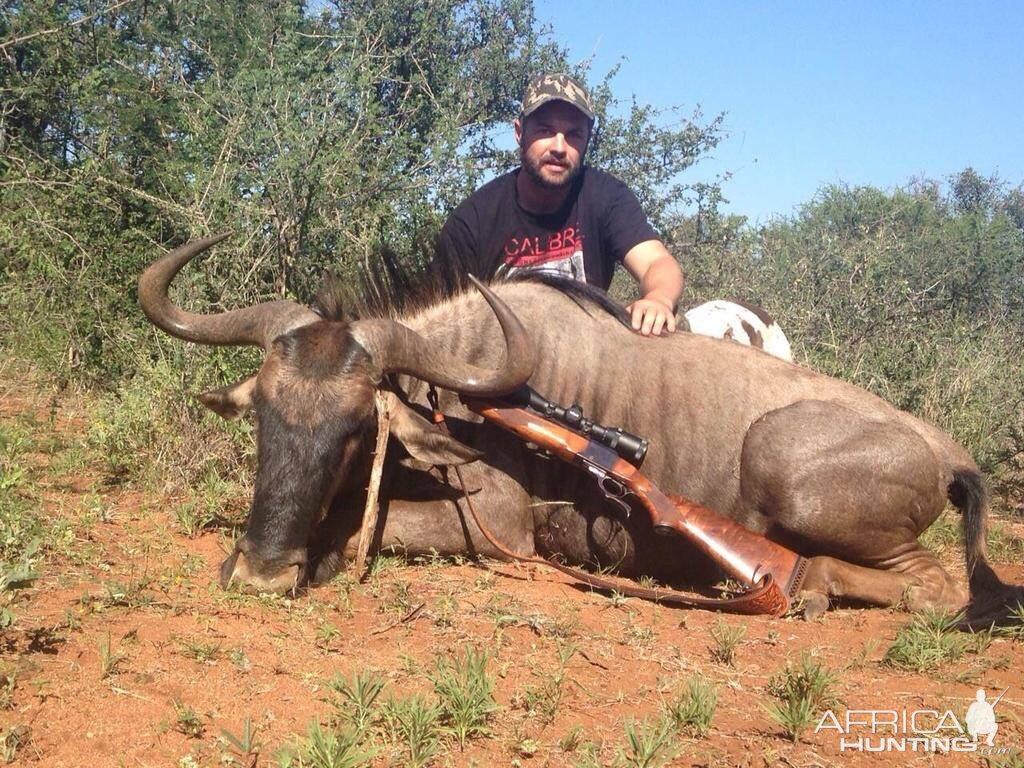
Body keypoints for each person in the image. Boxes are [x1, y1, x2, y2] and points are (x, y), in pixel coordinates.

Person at [432, 73, 684, 337]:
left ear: (588, 139)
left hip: (588, 357)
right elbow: (439, 313)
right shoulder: (475, 218)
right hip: (499, 366)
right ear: (520, 132)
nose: (559, 147)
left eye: (574, 134)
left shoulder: (606, 196)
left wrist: (658, 299)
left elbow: (657, 262)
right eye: (545, 131)